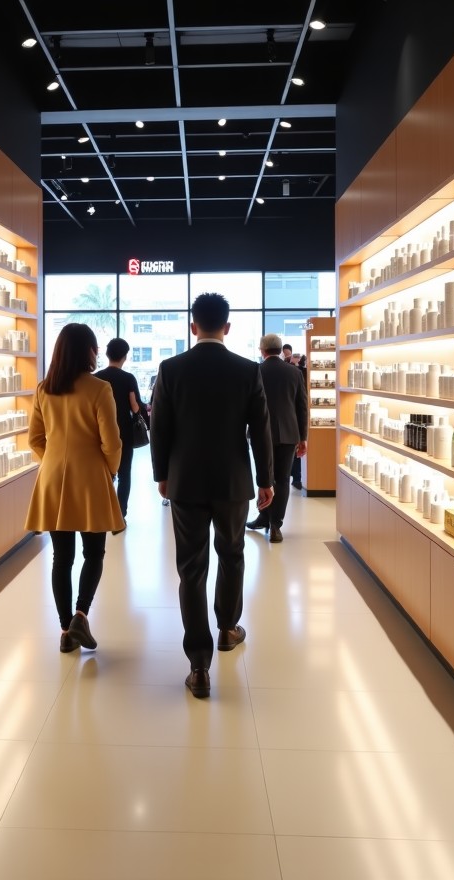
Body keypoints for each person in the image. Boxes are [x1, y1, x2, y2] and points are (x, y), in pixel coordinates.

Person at [150, 293, 274, 699]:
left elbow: (159, 427)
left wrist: (162, 476)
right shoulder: (247, 370)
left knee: (191, 568)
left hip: (185, 481)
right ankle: (227, 628)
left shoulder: (171, 369)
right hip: (233, 481)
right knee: (232, 553)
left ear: (193, 326)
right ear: (227, 327)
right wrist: (266, 480)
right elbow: (261, 429)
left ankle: (199, 665)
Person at [25, 323, 124, 653]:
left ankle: (66, 631)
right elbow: (111, 442)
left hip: (53, 479)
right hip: (91, 478)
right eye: (94, 347)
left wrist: (53, 460)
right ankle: (81, 613)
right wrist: (110, 470)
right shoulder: (99, 389)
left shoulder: (44, 389)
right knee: (94, 552)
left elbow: (35, 439)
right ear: (89, 351)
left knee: (61, 557)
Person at [247, 333, 308, 543]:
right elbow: (302, 406)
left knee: (264, 476)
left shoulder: (256, 371)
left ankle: (264, 517)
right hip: (289, 434)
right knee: (282, 479)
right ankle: (275, 525)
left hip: (260, 433)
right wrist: (303, 437)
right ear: (281, 350)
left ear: (262, 350)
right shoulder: (294, 372)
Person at [95, 337, 147, 529]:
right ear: (125, 356)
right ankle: (120, 516)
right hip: (123, 432)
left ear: (107, 354)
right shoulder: (128, 378)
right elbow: (135, 407)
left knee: (104, 475)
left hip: (100, 433)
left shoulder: (96, 377)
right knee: (125, 474)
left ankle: (102, 514)